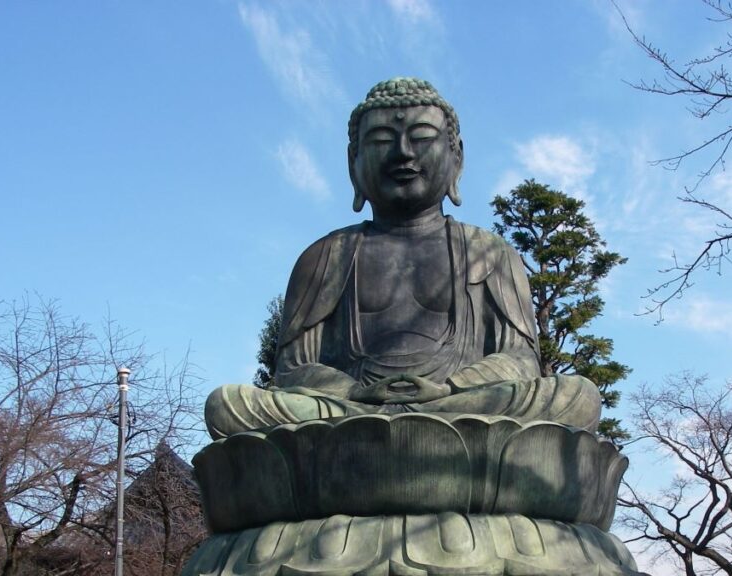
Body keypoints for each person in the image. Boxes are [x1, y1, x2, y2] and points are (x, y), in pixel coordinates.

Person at [205, 78, 601, 439]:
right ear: (353, 164)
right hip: (352, 412)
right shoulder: (325, 257)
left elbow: (520, 360)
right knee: (228, 406)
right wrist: (355, 390)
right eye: (380, 140)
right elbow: (291, 371)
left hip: (459, 408)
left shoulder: (490, 252)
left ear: (456, 158)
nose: (403, 153)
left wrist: (451, 389)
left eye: (422, 137)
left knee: (576, 397)